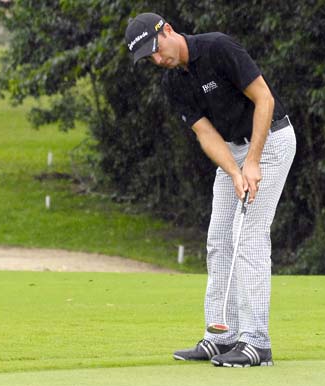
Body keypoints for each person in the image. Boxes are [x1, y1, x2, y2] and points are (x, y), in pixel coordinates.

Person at [125, 13, 296, 367]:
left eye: (156, 50)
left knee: (247, 237)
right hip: (232, 150)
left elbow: (264, 99)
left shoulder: (218, 47)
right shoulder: (174, 84)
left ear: (167, 30)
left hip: (272, 142)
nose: (158, 60)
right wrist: (235, 170)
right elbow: (206, 134)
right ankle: (222, 335)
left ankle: (256, 341)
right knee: (218, 239)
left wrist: (253, 162)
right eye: (150, 59)